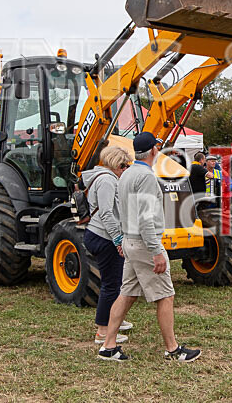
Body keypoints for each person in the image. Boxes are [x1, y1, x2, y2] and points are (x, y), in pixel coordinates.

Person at [100, 131, 201, 363]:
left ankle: (108, 346)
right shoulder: (146, 177)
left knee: (126, 293)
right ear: (155, 150)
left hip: (131, 241)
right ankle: (173, 349)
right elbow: (146, 218)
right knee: (166, 295)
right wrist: (156, 251)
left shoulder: (125, 175)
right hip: (145, 243)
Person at [82, 146, 134, 346]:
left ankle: (114, 320)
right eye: (123, 165)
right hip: (103, 237)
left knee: (116, 281)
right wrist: (118, 239)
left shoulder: (105, 178)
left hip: (102, 235)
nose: (125, 169)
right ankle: (103, 330)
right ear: (114, 164)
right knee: (111, 285)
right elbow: (106, 213)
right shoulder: (107, 180)